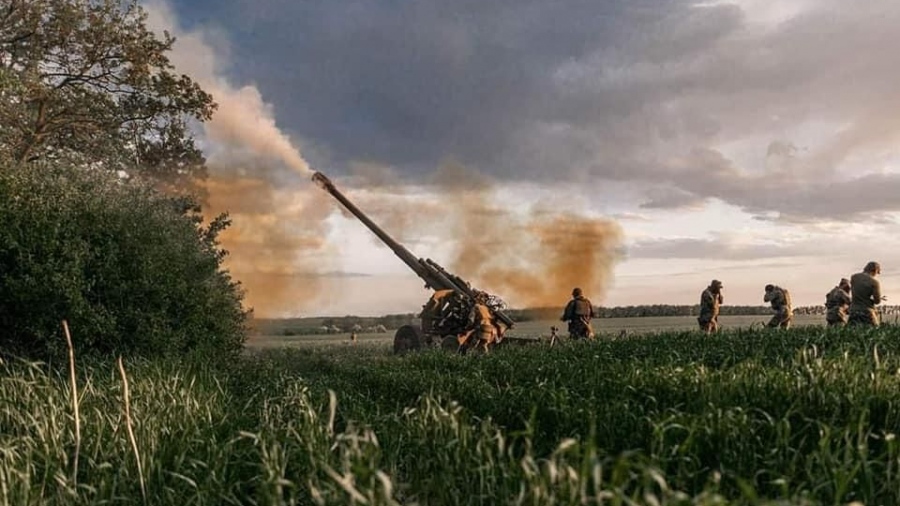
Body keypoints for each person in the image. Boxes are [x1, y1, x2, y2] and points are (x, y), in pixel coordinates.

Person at [849, 261, 885, 327]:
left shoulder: (853, 277)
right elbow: (877, 301)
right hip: (866, 312)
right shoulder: (874, 282)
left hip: (853, 311)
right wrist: (879, 298)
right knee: (874, 332)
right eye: (877, 272)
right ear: (875, 270)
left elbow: (857, 291)